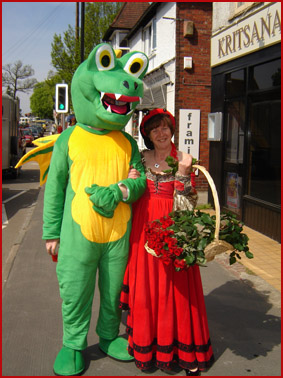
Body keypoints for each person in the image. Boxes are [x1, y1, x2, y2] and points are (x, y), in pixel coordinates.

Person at [119, 109, 214, 376]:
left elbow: (188, 206)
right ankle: (145, 345)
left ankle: (184, 352)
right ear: (147, 135)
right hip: (142, 232)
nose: (161, 133)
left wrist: (183, 176)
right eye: (154, 129)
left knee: (175, 291)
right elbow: (131, 193)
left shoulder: (184, 159)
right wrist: (130, 181)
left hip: (171, 232)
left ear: (172, 130)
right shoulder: (140, 158)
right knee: (147, 291)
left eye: (165, 128)